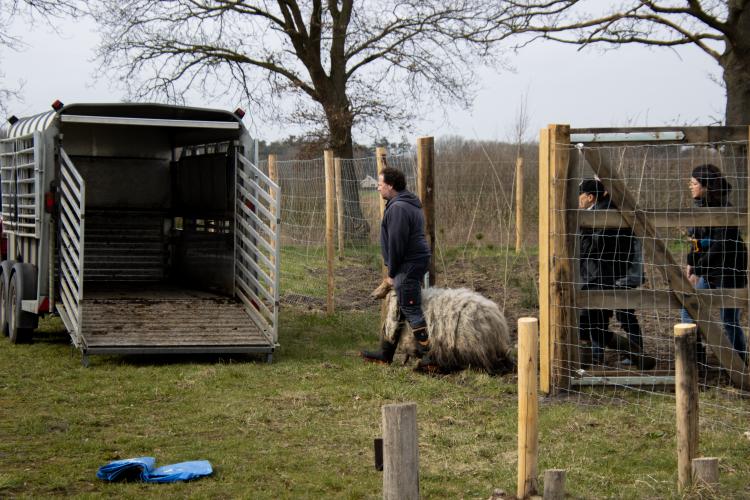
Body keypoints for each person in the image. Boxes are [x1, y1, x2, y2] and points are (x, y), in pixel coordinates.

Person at [361, 167, 432, 364]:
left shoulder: (399, 208)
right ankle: (386, 354)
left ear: (390, 186)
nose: (378, 188)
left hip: (407, 264)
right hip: (413, 261)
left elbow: (396, 244)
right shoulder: (406, 203)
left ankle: (431, 358)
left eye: (380, 184)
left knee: (411, 308)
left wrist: (392, 272)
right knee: (399, 305)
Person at [681, 164, 748, 363]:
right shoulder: (699, 208)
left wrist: (698, 268)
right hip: (708, 271)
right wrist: (690, 264)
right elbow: (696, 241)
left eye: (694, 183)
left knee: (729, 320)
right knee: (688, 309)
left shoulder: (725, 210)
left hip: (728, 273)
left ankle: (739, 364)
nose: (690, 186)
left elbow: (721, 246)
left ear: (706, 186)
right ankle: (694, 360)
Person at [578, 179, 645, 366]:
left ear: (590, 197)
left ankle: (632, 355)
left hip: (612, 275)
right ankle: (630, 354)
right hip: (608, 274)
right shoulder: (603, 211)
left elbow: (595, 248)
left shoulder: (605, 215)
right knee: (602, 316)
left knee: (607, 316)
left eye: (581, 194)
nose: (578, 198)